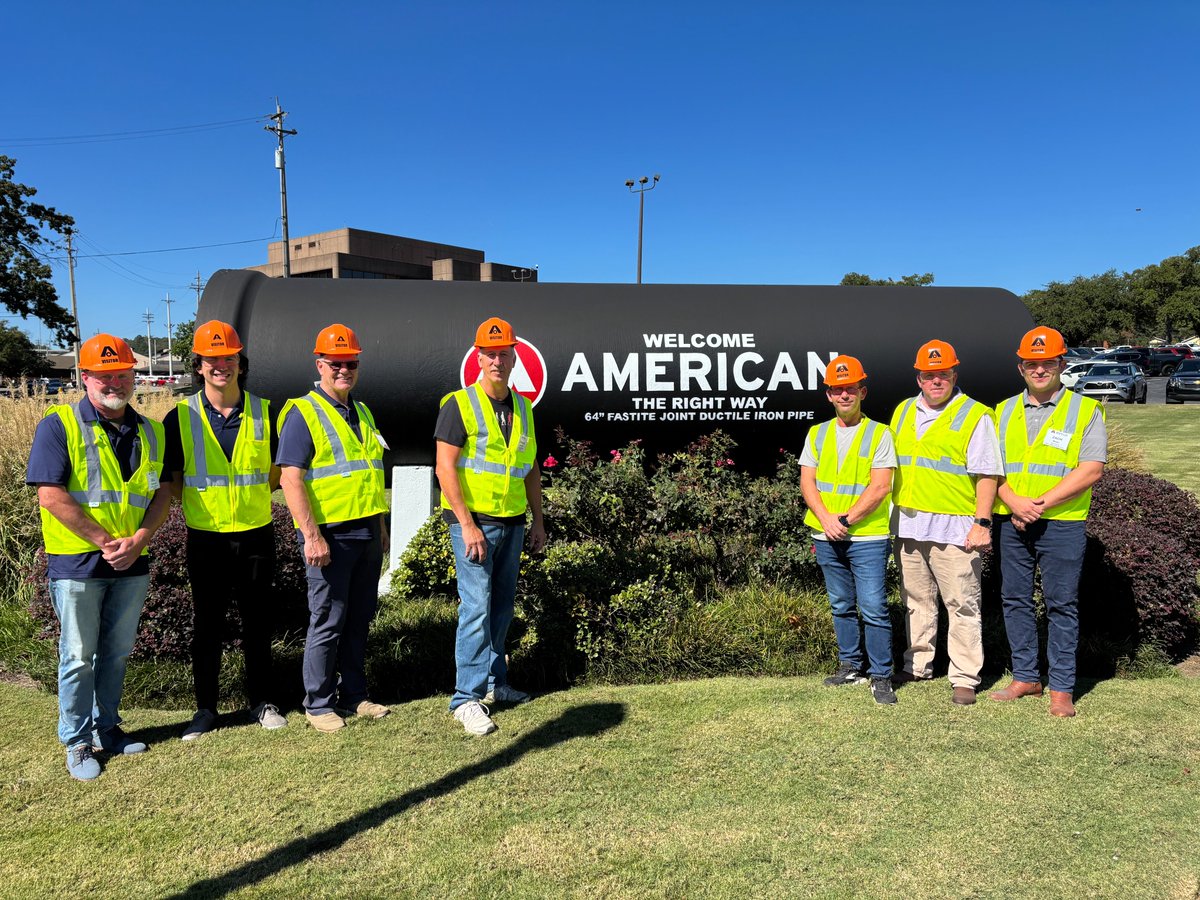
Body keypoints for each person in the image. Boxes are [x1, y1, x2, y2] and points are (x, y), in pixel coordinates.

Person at [26, 334, 172, 780]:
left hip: (132, 561)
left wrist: (141, 539)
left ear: (134, 376)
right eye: (104, 375)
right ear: (84, 377)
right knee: (77, 655)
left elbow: (163, 492)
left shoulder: (151, 430)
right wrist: (108, 542)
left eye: (123, 374)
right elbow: (50, 496)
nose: (115, 382)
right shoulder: (59, 425)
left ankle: (108, 727)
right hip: (78, 563)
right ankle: (77, 740)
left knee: (117, 652)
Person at [162, 320, 287, 740]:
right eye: (212, 359)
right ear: (198, 365)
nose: (221, 366)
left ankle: (262, 702)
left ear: (240, 362)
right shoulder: (179, 417)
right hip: (206, 537)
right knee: (208, 625)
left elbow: (275, 474)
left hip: (256, 534)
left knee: (257, 622)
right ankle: (205, 709)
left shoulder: (267, 411)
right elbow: (173, 481)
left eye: (228, 358)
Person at [276, 324, 391, 733]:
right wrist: (311, 535)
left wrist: (380, 526)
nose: (344, 370)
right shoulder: (302, 412)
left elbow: (368, 473)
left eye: (351, 363)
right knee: (327, 619)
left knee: (359, 618)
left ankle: (355, 696)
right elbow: (290, 478)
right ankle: (318, 703)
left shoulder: (361, 411)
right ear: (320, 364)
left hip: (366, 532)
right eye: (336, 363)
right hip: (329, 536)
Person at [435, 316, 546, 736]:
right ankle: (466, 698)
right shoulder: (458, 404)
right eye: (490, 354)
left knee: (501, 607)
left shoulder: (522, 407)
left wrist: (538, 520)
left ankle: (497, 684)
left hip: (512, 521)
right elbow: (444, 468)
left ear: (514, 357)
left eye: (504, 353)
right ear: (478, 357)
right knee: (476, 607)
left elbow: (530, 469)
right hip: (474, 524)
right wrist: (467, 524)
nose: (497, 360)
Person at [989, 327, 1106, 717]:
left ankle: (1061, 688)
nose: (1039, 370)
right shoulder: (1002, 411)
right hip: (1012, 520)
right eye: (1031, 363)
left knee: (1061, 605)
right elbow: (991, 469)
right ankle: (1026, 677)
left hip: (1061, 523)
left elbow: (1090, 469)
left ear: (1062, 363)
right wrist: (1013, 502)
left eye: (1048, 363)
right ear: (1021, 367)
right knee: (1015, 600)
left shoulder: (1085, 410)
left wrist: (1039, 504)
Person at [890, 339, 1002, 706]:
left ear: (954, 374)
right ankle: (918, 664)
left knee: (962, 603)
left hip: (956, 528)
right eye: (928, 375)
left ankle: (965, 677)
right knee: (916, 600)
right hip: (908, 525)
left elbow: (987, 474)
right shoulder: (903, 411)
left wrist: (982, 522)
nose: (936, 381)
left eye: (943, 374)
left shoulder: (975, 415)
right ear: (918, 377)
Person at [800, 355, 898, 705]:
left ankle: (882, 675)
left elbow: (881, 487)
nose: (844, 395)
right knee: (841, 605)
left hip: (867, 535)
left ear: (863, 391)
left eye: (850, 389)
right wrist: (827, 519)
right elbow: (807, 483)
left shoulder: (880, 433)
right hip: (826, 534)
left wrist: (844, 520)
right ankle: (850, 666)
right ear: (828, 394)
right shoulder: (817, 433)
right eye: (837, 390)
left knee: (873, 606)